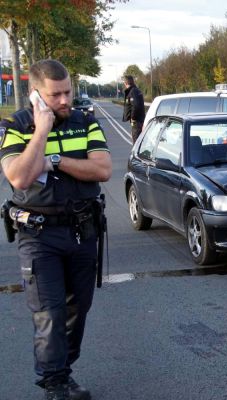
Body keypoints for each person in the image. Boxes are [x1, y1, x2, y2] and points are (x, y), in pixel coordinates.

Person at [0, 59, 112, 400]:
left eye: (68, 92)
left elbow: (103, 169)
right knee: (50, 312)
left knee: (79, 308)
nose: (65, 101)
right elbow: (19, 176)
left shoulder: (86, 122)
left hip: (82, 230)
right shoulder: (15, 125)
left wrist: (55, 161)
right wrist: (42, 131)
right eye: (56, 95)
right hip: (38, 236)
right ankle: (55, 385)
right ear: (36, 94)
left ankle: (63, 370)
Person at [121, 75, 145, 144]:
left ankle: (136, 154)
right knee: (137, 140)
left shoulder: (133, 91)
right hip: (138, 121)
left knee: (136, 142)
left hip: (136, 122)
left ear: (125, 83)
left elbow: (136, 106)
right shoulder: (135, 90)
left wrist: (133, 118)